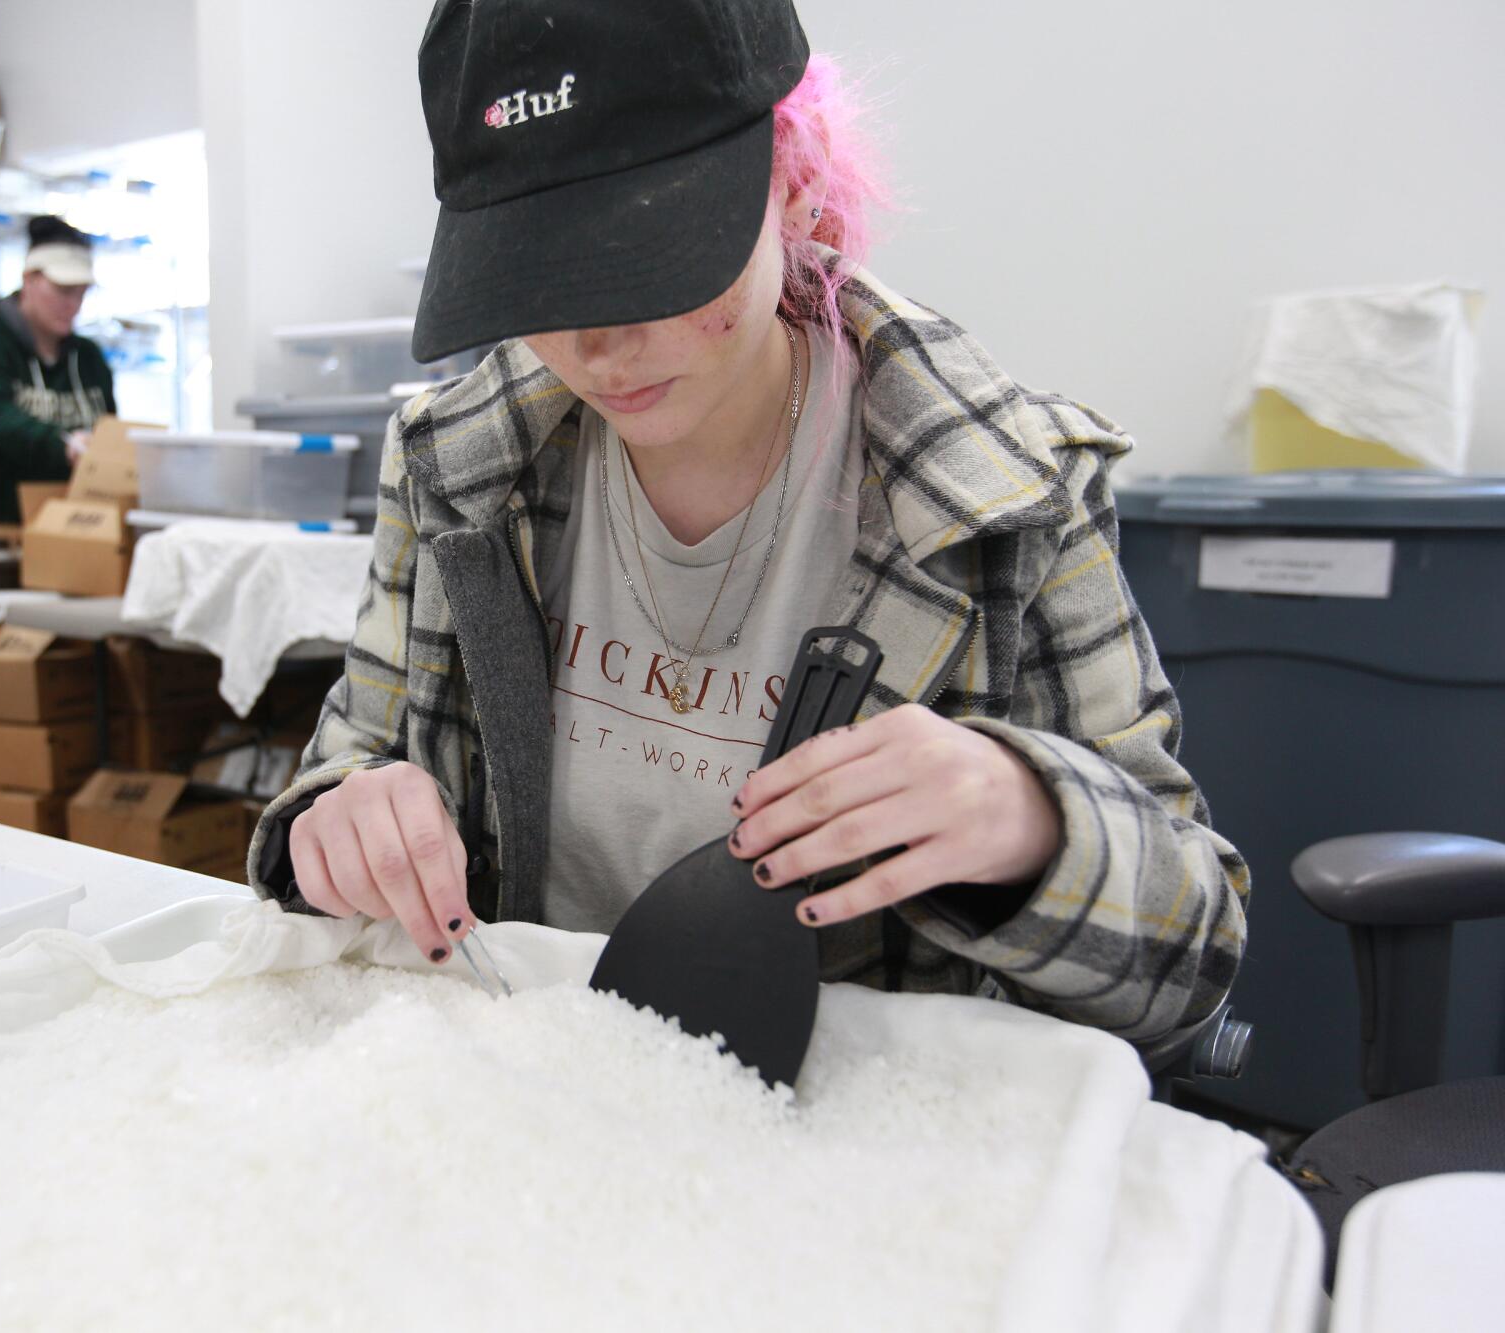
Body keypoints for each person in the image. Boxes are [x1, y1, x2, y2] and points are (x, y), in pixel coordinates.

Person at [247, 0, 1249, 1044]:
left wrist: (1033, 823)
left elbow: (1190, 961)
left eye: (650, 257)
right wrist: (339, 817)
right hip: (532, 1088)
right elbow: (349, 759)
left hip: (849, 1140)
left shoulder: (1000, 496)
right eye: (539, 278)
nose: (597, 348)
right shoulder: (454, 468)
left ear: (794, 182)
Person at [0, 215, 115, 540]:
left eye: (81, 293)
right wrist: (65, 445)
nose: (72, 304)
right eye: (62, 290)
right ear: (29, 280)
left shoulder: (88, 359)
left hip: (60, 532)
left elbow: (110, 431)